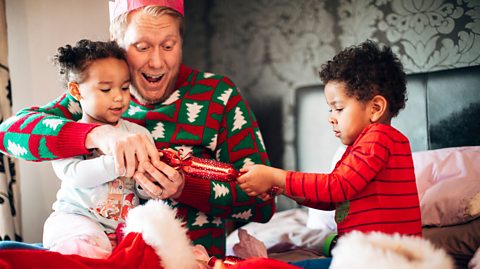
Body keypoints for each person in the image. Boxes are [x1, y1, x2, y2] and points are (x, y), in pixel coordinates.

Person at [0, 0, 274, 258]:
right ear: (118, 44)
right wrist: (95, 134)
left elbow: (262, 204)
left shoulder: (219, 96)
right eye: (142, 47)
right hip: (102, 249)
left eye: (168, 46)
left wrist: (184, 189)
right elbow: (8, 135)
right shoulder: (95, 97)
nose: (156, 62)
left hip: (187, 259)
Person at [237, 40, 422, 244]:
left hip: (385, 256)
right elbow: (334, 199)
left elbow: (336, 187)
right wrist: (284, 189)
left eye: (339, 108)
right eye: (330, 109)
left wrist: (278, 177)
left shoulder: (380, 138)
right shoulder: (359, 147)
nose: (331, 118)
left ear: (375, 108)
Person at [41, 39, 156, 259]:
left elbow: (140, 188)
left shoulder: (139, 135)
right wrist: (118, 161)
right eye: (106, 89)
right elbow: (74, 175)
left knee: (153, 245)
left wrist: (148, 184)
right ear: (76, 90)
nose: (118, 97)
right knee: (83, 245)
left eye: (124, 87)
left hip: (123, 225)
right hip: (77, 218)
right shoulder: (69, 134)